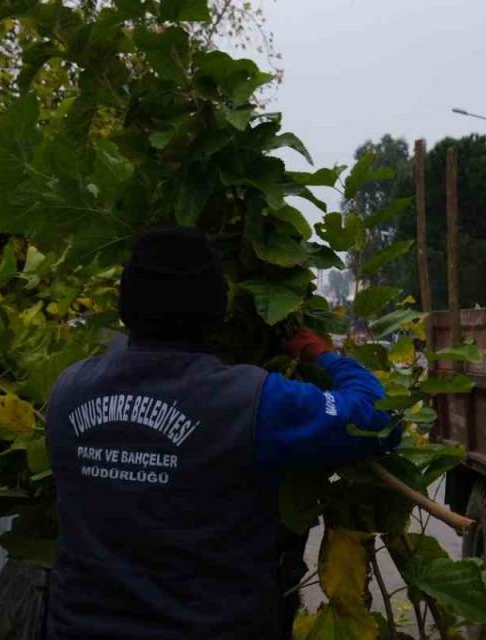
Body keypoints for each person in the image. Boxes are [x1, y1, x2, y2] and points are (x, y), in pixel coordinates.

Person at [43, 226, 400, 639]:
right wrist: (323, 356)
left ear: (125, 306)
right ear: (217, 310)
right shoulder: (249, 401)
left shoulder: (68, 391)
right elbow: (379, 419)